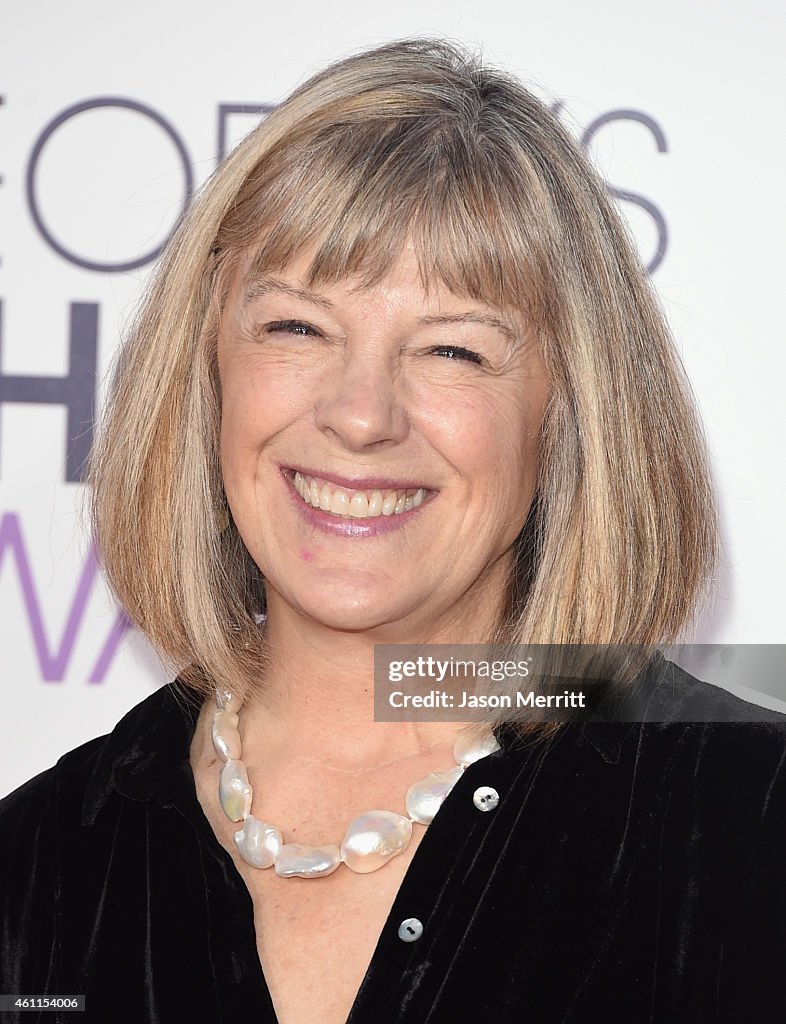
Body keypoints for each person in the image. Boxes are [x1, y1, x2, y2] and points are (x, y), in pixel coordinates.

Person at [1, 36, 785, 1024]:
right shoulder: (36, 872)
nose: (362, 413)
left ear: (568, 410)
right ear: (205, 371)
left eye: (453, 348)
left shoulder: (750, 826)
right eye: (295, 326)